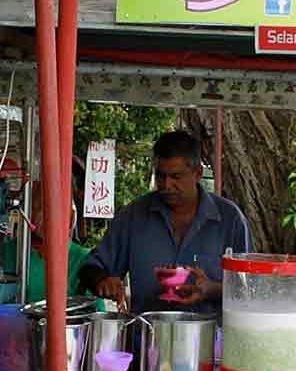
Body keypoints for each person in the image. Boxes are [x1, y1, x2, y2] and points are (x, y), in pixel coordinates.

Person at [77, 130, 252, 315]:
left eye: (176, 177)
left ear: (198, 173)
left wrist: (211, 289)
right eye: (161, 176)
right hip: (148, 337)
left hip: (212, 340)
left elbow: (249, 290)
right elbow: (90, 267)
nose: (167, 185)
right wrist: (102, 280)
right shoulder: (133, 216)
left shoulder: (230, 220)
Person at [1, 157, 93, 305]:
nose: (51, 216)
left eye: (60, 208)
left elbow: (97, 315)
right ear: (27, 211)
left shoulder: (84, 261)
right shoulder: (6, 253)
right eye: (42, 207)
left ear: (72, 217)